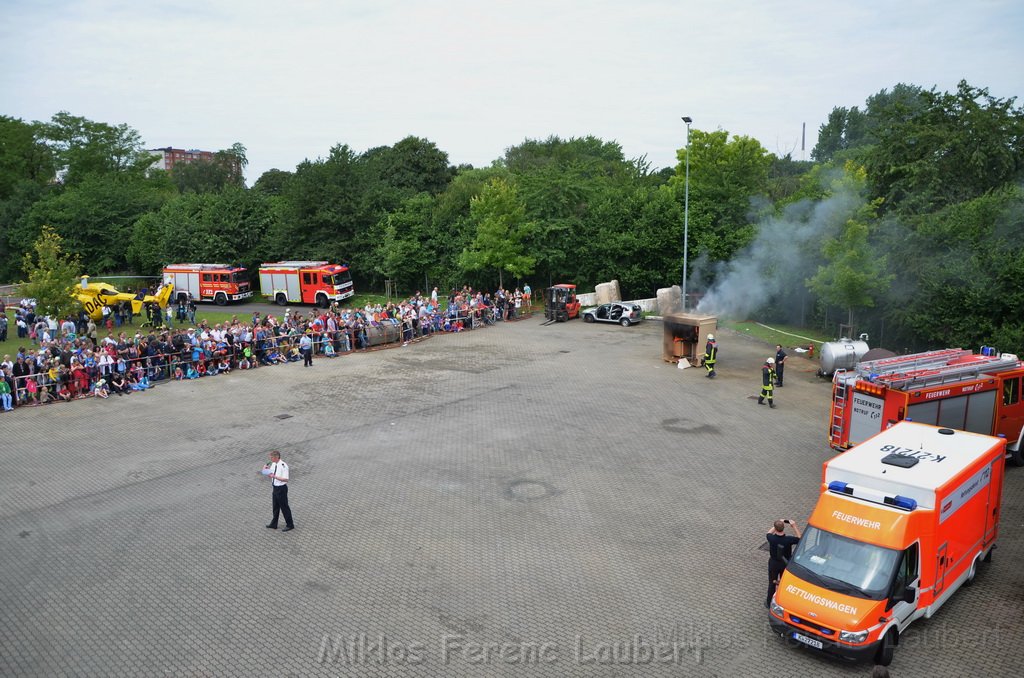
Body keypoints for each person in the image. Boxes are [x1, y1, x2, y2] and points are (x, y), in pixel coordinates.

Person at [766, 518, 802, 608]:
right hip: (785, 564)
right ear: (783, 528)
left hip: (773, 563)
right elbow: (800, 539)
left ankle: (768, 602)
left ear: (775, 528)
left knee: (771, 583)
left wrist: (779, 522)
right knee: (783, 583)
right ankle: (782, 602)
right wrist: (794, 526)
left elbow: (768, 533)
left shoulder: (771, 538)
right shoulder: (788, 540)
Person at [262, 450, 294, 532]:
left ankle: (290, 524)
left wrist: (275, 477)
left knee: (284, 507)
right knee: (275, 507)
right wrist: (265, 470)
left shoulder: (283, 466)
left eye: (271, 457)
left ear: (276, 457)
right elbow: (268, 474)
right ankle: (274, 524)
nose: (270, 459)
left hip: (281, 489)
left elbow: (286, 479)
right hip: (275, 488)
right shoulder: (273, 464)